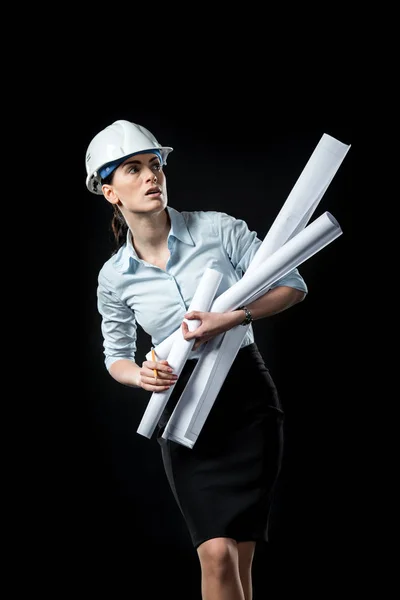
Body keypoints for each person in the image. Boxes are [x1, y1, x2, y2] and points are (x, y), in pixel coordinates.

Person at [85, 119, 308, 600]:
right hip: (184, 415)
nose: (151, 177)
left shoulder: (217, 228)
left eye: (155, 165)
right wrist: (141, 376)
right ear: (110, 192)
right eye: (133, 169)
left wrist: (233, 317)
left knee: (239, 560)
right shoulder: (113, 277)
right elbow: (116, 356)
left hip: (247, 400)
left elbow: (293, 286)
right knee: (216, 555)